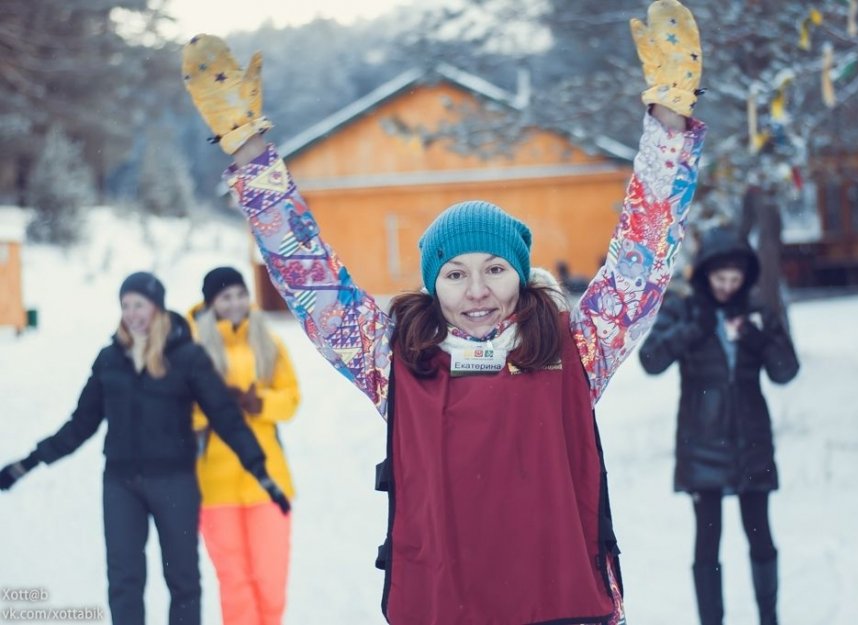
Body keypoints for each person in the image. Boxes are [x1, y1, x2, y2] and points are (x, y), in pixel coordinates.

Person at [182, 0, 706, 621]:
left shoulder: (574, 348)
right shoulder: (395, 359)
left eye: (495, 270)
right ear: (433, 286)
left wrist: (668, 124)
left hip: (563, 602)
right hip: (441, 607)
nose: (476, 290)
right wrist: (250, 157)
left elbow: (640, 256)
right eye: (455, 275)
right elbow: (310, 278)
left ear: (522, 275)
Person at [0, 272, 290, 625]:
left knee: (183, 581)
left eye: (140, 304)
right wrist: (28, 463)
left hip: (176, 483)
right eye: (125, 305)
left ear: (157, 306)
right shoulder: (110, 359)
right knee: (124, 581)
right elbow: (81, 424)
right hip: (122, 485)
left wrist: (258, 467)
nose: (132, 313)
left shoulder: (186, 356)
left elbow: (225, 416)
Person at [638, 227, 800, 625]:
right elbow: (651, 360)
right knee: (707, 544)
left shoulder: (757, 310)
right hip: (702, 444)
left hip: (752, 441)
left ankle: (769, 618)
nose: (728, 287)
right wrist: (701, 327)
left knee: (760, 536)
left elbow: (786, 372)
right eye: (720, 279)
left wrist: (758, 337)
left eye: (735, 279)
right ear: (705, 274)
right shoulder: (686, 309)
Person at [188, 267, 300, 625]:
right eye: (225, 297)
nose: (235, 303)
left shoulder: (267, 341)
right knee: (234, 581)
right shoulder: (194, 350)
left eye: (240, 294)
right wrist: (216, 405)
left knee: (271, 579)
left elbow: (291, 398)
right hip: (214, 485)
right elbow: (182, 413)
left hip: (268, 479)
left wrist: (260, 402)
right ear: (211, 303)